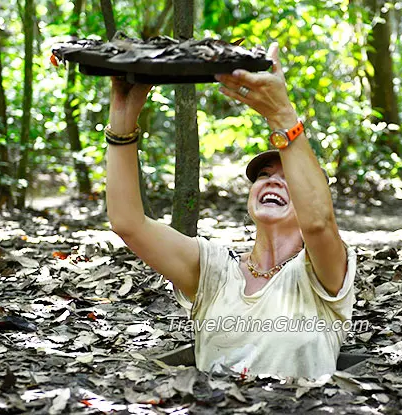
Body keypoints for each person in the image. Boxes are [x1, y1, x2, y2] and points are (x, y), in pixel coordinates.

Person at [105, 42, 356, 378]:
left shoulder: (323, 274)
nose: (272, 182)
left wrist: (282, 115)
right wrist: (122, 121)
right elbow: (128, 223)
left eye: (288, 180)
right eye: (264, 176)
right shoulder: (213, 271)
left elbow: (319, 224)